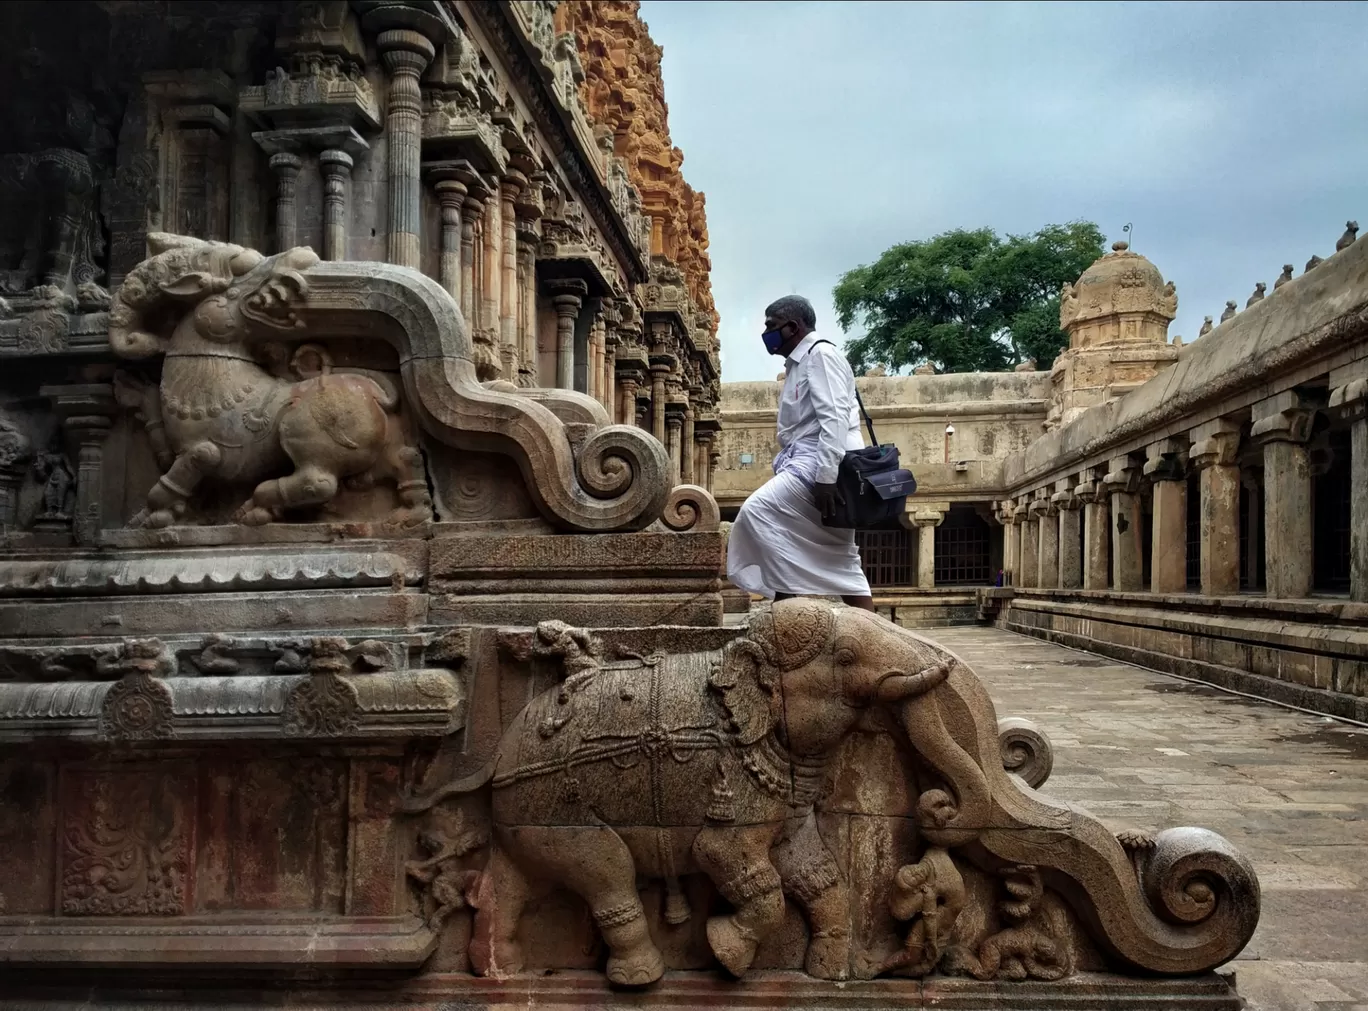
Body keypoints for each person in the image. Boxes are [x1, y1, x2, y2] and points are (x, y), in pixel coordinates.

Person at [726, 295, 874, 611]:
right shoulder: (799, 362)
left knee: (758, 513)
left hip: (821, 463)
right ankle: (786, 608)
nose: (766, 334)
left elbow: (833, 418)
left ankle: (790, 602)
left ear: (793, 327)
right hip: (807, 460)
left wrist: (825, 477)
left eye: (771, 326)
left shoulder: (821, 355)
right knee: (837, 553)